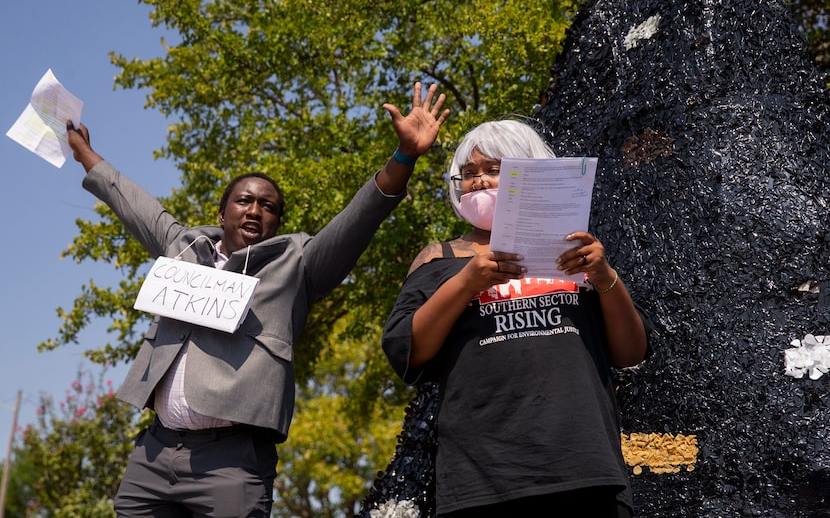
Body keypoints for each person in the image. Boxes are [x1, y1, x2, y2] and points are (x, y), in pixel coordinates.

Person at [65, 82, 450, 518]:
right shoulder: (182, 247)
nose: (254, 210)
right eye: (244, 201)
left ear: (277, 222)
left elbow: (358, 220)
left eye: (267, 206)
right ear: (222, 213)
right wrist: (85, 156)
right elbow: (132, 203)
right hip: (153, 454)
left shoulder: (297, 264)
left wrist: (404, 157)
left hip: (231, 463)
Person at [381, 119, 652, 518]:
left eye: (493, 169)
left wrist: (604, 276)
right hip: (482, 481)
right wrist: (466, 282)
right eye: (468, 173)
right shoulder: (438, 258)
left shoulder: (580, 251)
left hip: (585, 470)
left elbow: (631, 352)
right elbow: (406, 352)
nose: (478, 182)